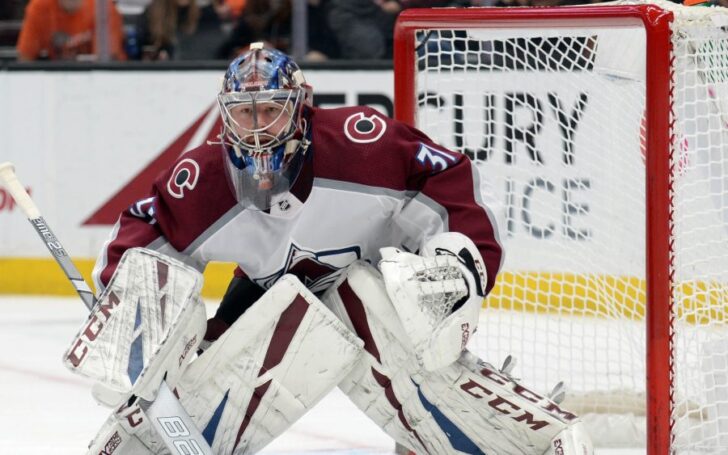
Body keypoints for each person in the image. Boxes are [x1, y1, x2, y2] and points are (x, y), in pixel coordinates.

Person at [90, 44, 592, 454]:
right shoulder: (202, 181)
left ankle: (517, 440)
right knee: (161, 416)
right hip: (268, 304)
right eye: (244, 112)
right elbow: (144, 232)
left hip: (378, 302)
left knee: (362, 296)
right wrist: (130, 322)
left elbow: (444, 178)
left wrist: (457, 268)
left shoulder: (359, 146)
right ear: (225, 115)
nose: (258, 126)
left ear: (299, 110)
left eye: (270, 109)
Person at [16, 0, 126, 61]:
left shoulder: (103, 7)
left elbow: (108, 64)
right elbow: (25, 58)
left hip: (95, 79)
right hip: (55, 80)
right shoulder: (39, 8)